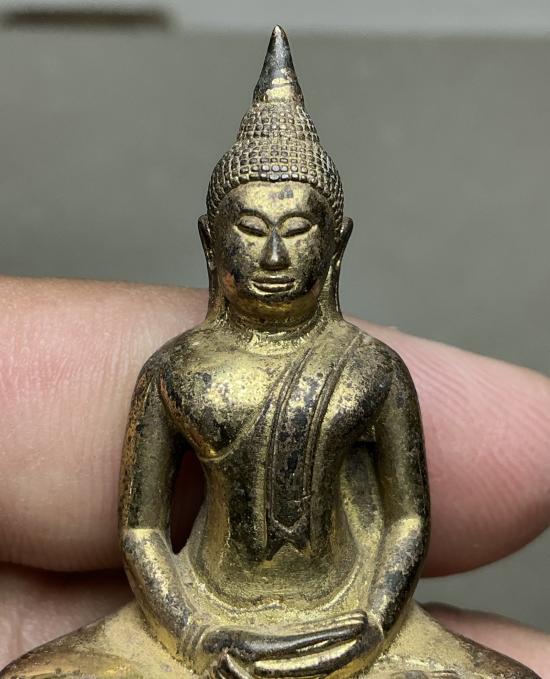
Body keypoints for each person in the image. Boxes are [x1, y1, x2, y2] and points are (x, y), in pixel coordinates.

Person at [1, 28, 549, 679]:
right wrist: (195, 636)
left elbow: (407, 520)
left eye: (297, 228)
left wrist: (374, 623)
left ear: (336, 244)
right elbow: (141, 530)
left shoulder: (372, 371)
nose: (274, 256)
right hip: (206, 619)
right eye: (250, 228)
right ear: (211, 241)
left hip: (349, 620)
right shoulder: (176, 370)